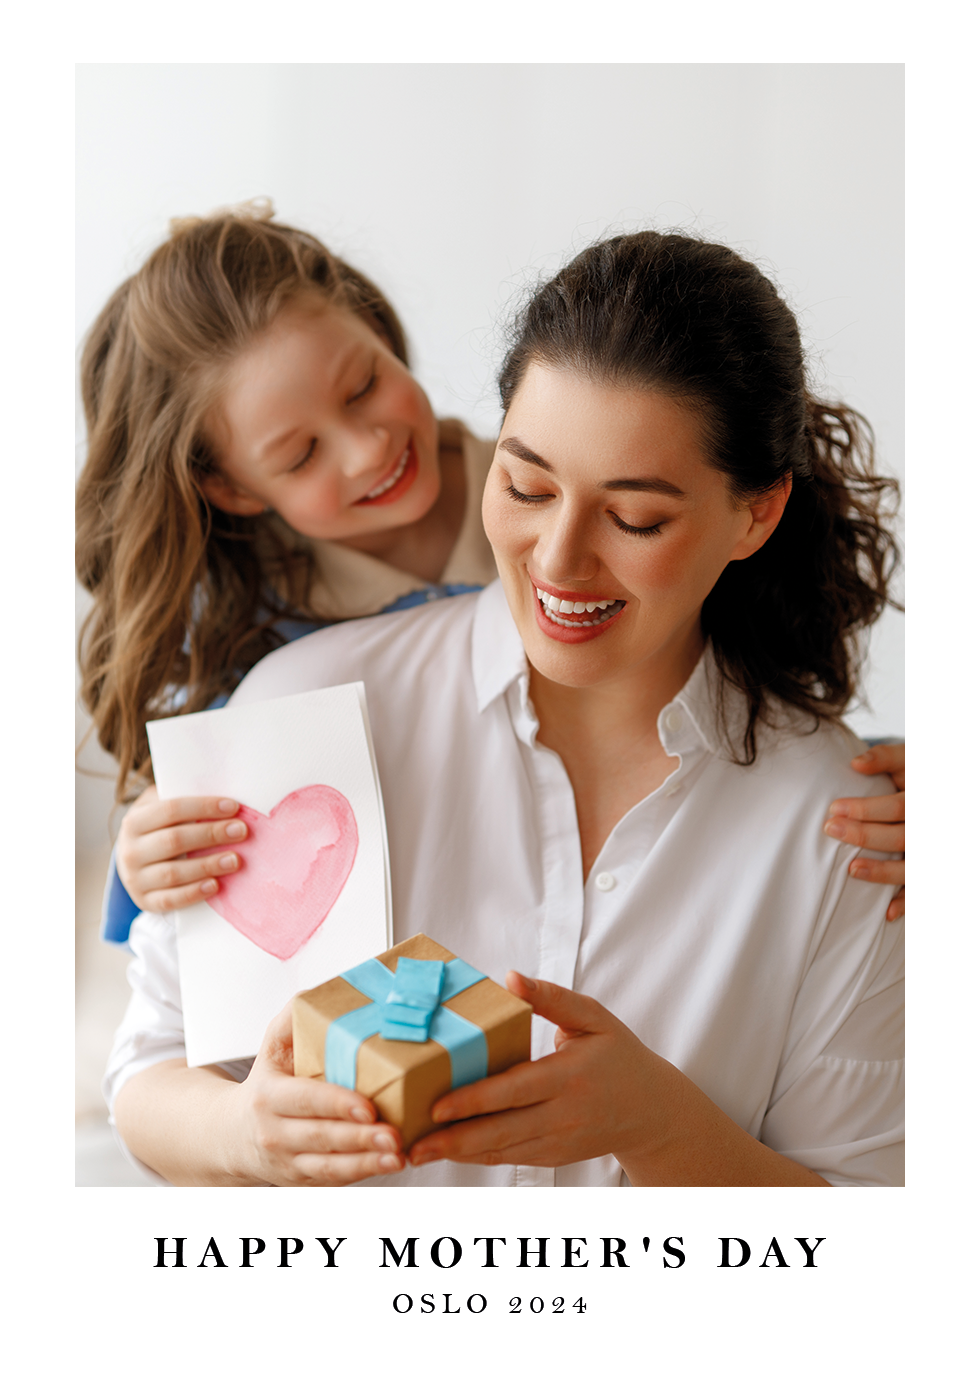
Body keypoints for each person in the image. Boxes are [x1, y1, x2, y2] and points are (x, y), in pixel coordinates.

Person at [104, 230, 904, 1188]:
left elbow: (864, 1233)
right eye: (525, 486)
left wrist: (658, 1127)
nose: (559, 560)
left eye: (636, 518)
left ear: (757, 513)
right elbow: (148, 1072)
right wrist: (245, 1132)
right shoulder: (298, 705)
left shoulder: (852, 831)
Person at [76, 202, 497, 945]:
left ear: (373, 324)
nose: (367, 450)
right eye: (301, 456)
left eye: (364, 385)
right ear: (234, 491)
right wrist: (148, 852)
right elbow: (193, 878)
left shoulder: (559, 499)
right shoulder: (246, 641)